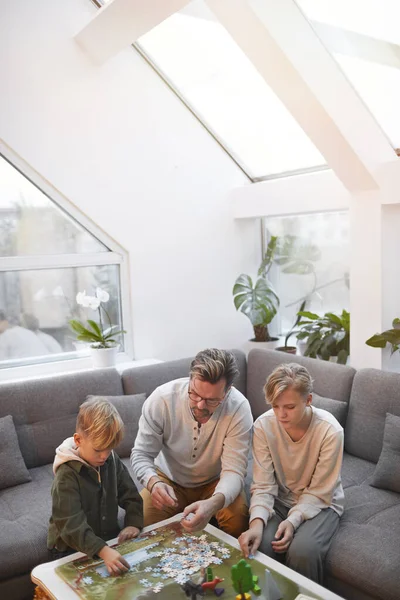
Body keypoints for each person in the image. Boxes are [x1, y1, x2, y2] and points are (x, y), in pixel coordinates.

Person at [239, 363, 344, 584]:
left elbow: (320, 491)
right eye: (275, 406)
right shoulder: (262, 426)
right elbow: (263, 485)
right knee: (261, 546)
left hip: (321, 502)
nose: (281, 414)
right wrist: (256, 524)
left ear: (308, 400)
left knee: (303, 552)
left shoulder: (330, 431)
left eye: (289, 407)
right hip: (279, 500)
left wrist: (293, 520)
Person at [131, 348, 253, 537]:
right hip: (168, 478)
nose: (200, 405)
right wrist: (153, 483)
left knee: (238, 521)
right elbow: (141, 454)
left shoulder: (239, 408)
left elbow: (234, 471)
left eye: (212, 400)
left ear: (227, 391)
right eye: (194, 394)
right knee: (140, 520)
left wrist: (213, 503)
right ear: (190, 379)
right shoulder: (162, 400)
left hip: (216, 482)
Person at [48, 397, 143, 575]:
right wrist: (103, 550)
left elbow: (131, 495)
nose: (104, 456)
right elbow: (71, 525)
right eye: (99, 450)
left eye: (110, 449)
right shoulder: (66, 475)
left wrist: (133, 524)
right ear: (78, 440)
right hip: (69, 548)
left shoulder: (111, 459)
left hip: (106, 540)